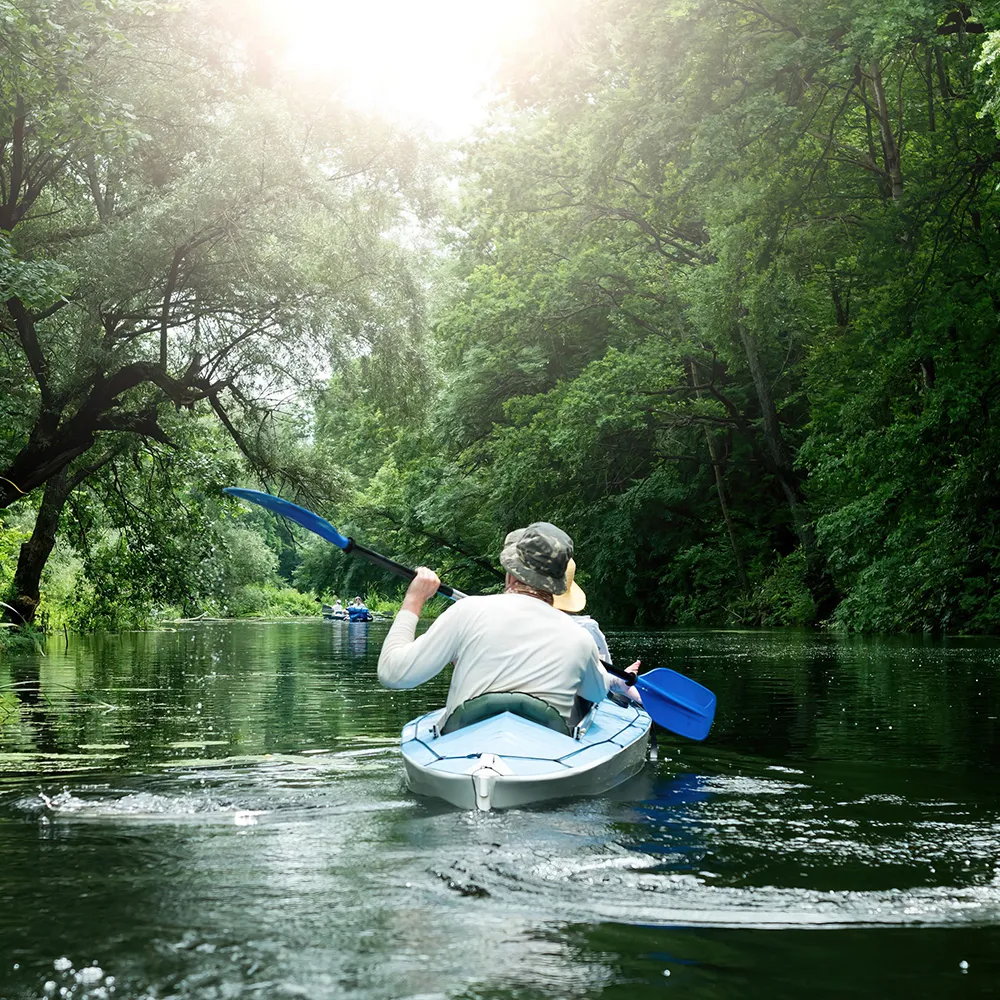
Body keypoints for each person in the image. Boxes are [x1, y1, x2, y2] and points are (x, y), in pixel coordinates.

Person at [377, 522, 611, 730]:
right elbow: (598, 693)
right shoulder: (581, 638)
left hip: (464, 750)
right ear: (559, 584)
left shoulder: (467, 610)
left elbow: (393, 673)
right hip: (545, 760)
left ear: (511, 573)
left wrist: (414, 600)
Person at [552, 558, 642, 704]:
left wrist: (619, 683)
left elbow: (603, 677)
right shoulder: (586, 629)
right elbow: (601, 679)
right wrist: (619, 682)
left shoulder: (586, 628)